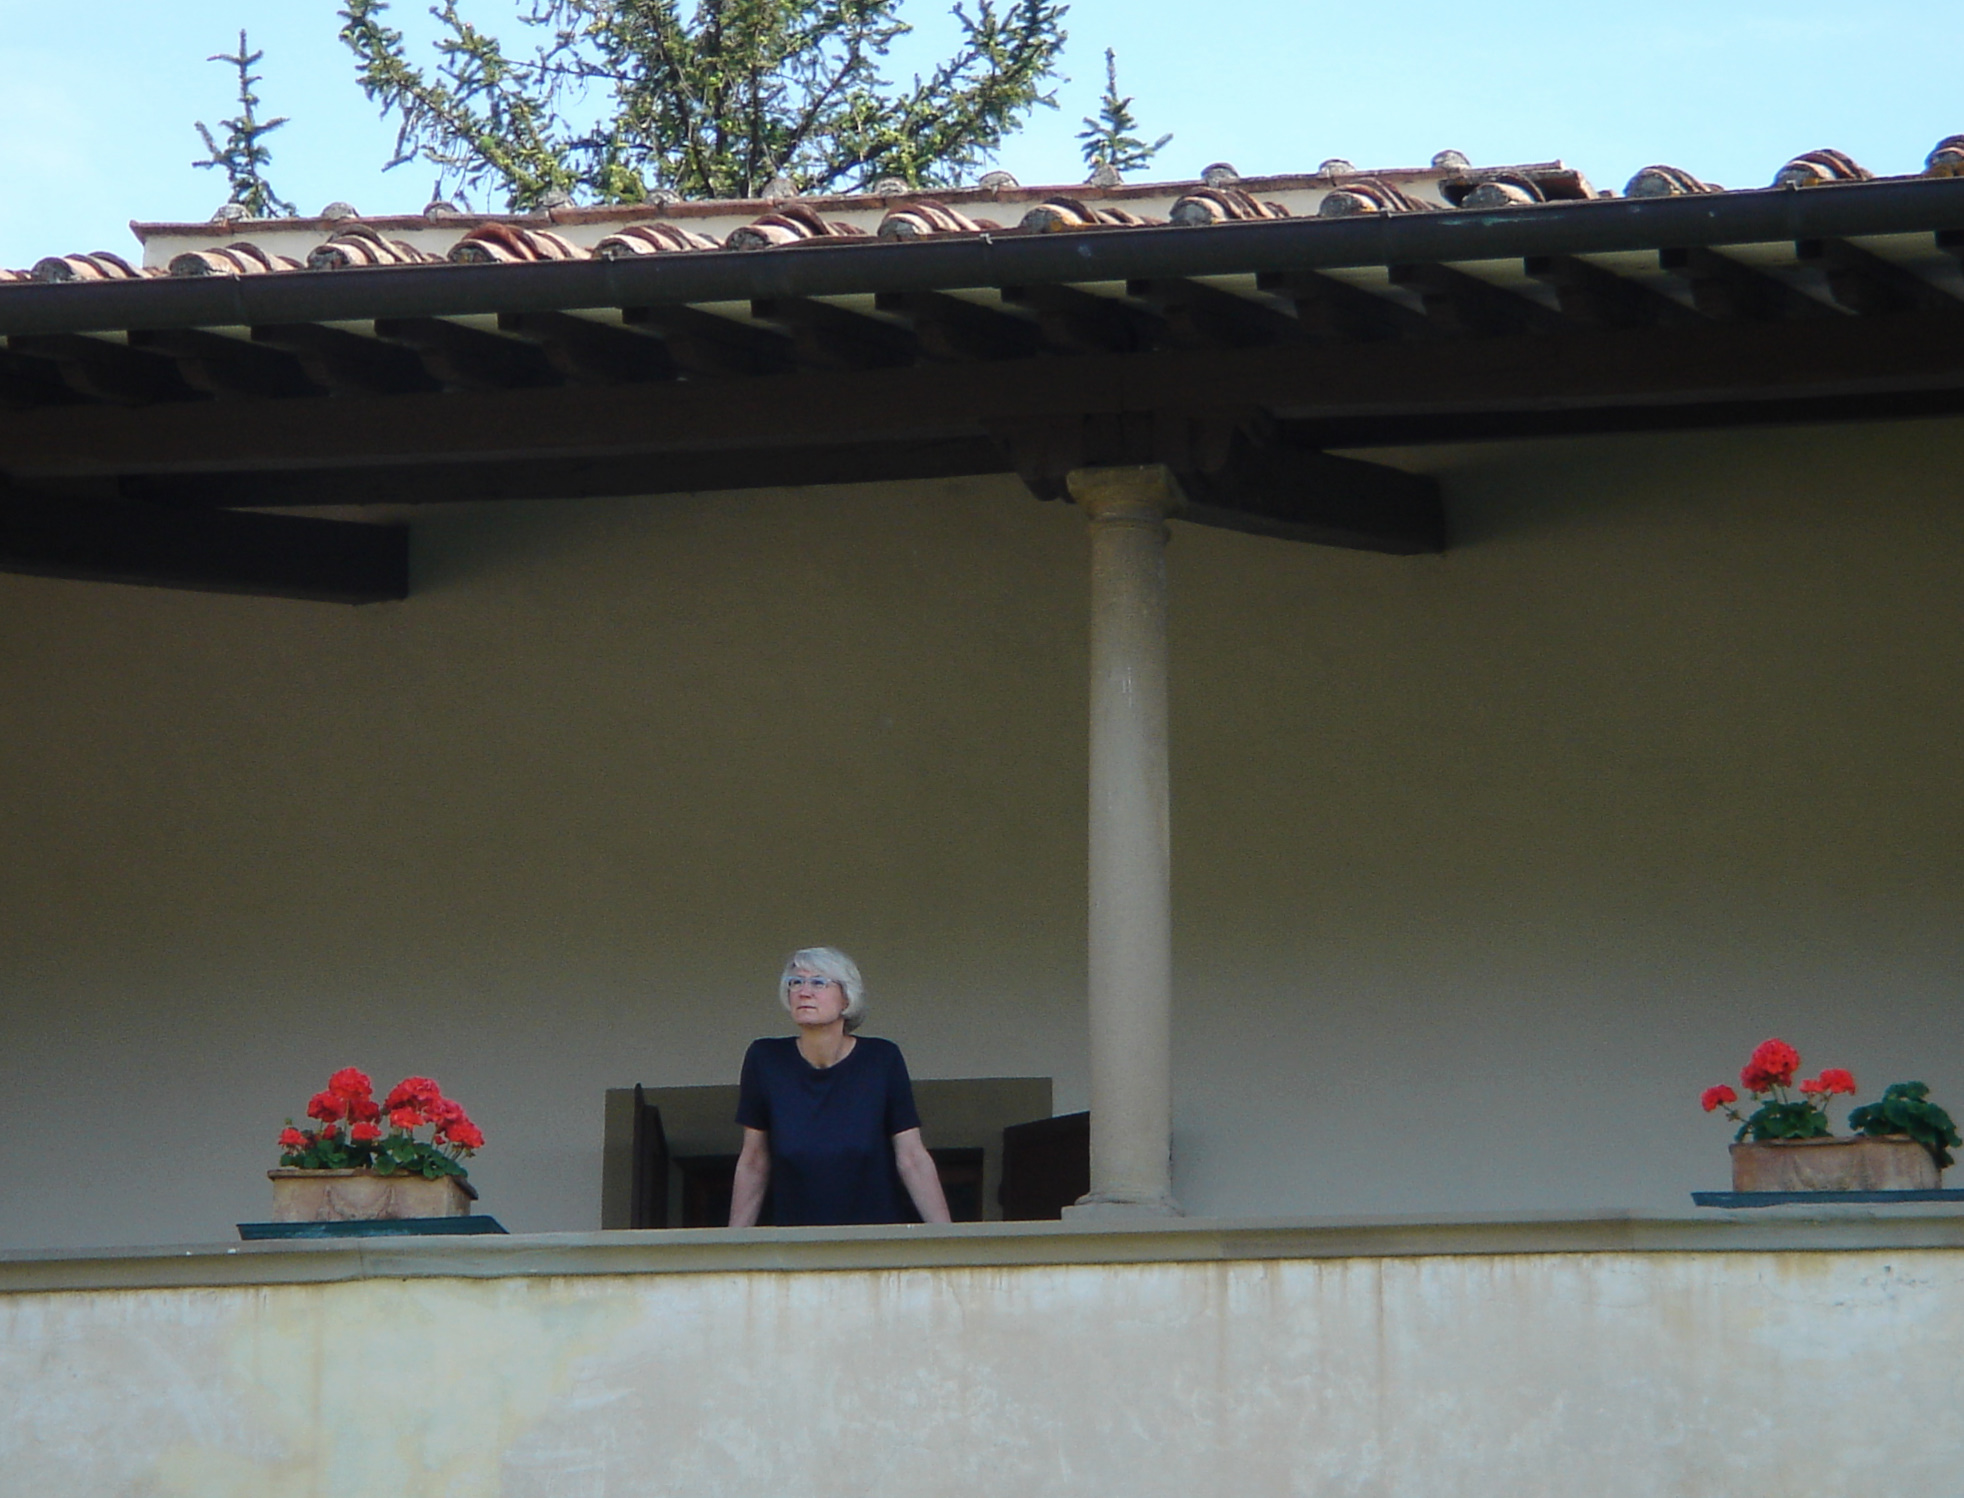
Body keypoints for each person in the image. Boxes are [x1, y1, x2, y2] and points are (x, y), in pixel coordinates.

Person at [729, 947, 952, 1227]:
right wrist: (735, 1245)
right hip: (795, 1241)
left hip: (873, 1239)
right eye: (795, 982)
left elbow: (912, 1157)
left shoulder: (881, 1060)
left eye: (818, 982)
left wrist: (946, 1237)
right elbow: (753, 1161)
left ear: (847, 998)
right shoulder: (766, 1059)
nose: (804, 991)